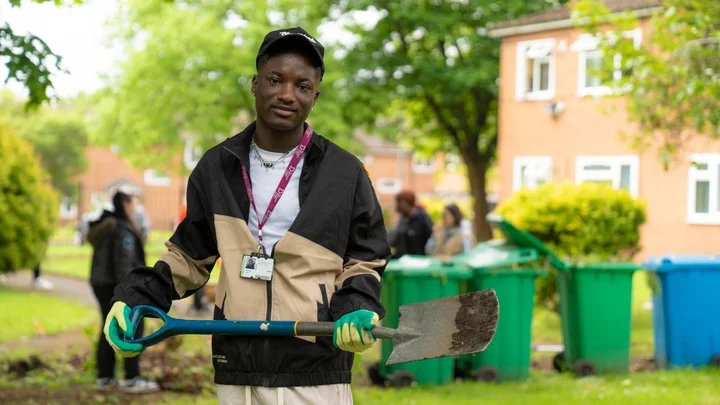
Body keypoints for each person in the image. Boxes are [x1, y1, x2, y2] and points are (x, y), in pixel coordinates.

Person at [103, 27, 390, 405]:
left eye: (302, 86)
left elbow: (365, 260)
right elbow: (189, 256)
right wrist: (133, 295)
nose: (287, 94)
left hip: (316, 367)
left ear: (315, 97)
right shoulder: (215, 167)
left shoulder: (345, 173)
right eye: (275, 80)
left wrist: (357, 308)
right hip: (237, 363)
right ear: (255, 84)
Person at [87, 191, 159, 394]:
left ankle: (105, 376)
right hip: (116, 285)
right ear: (125, 204)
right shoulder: (122, 230)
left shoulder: (108, 224)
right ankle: (131, 377)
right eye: (133, 204)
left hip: (101, 282)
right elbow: (124, 264)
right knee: (133, 325)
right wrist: (131, 292)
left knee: (109, 326)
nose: (135, 208)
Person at [390, 190, 434, 258]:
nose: (398, 205)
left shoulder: (422, 217)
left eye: (400, 202)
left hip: (419, 259)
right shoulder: (402, 219)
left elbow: (431, 236)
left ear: (408, 203)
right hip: (403, 259)